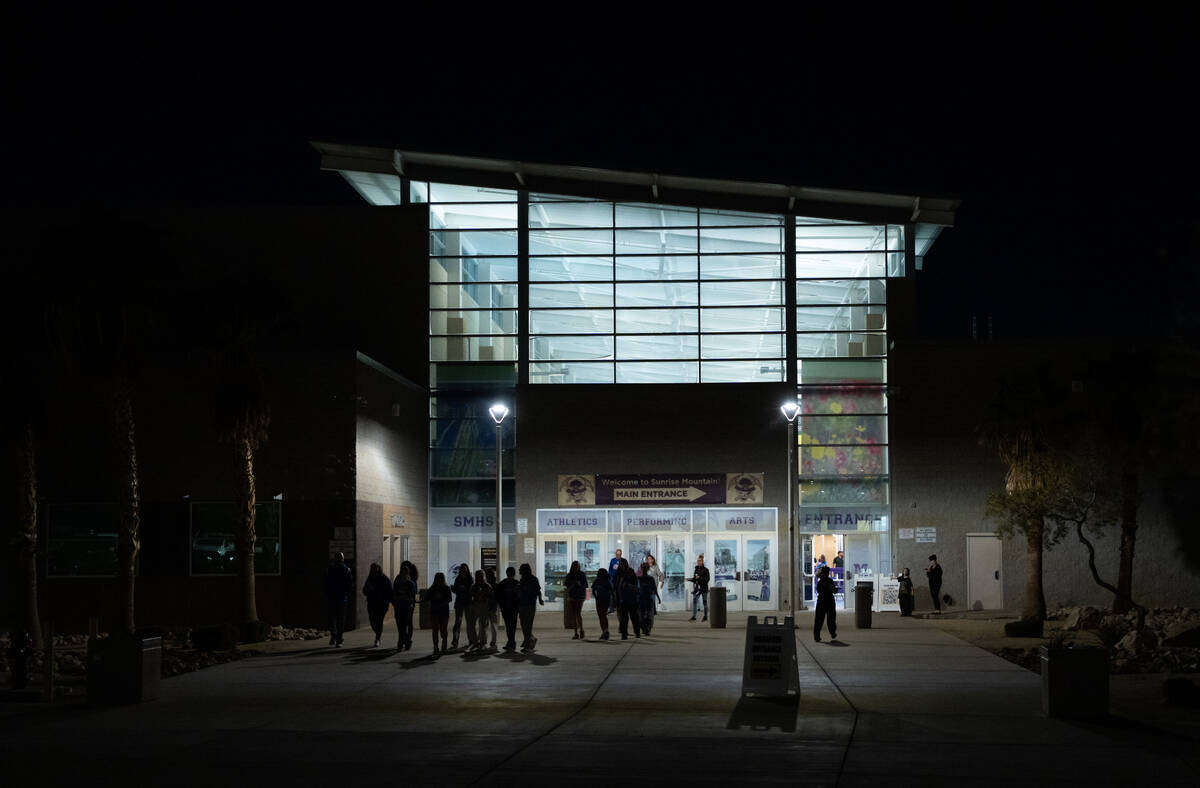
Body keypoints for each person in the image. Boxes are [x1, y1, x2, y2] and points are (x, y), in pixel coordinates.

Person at [324, 551, 353, 647]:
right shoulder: (344, 570)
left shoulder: (333, 569)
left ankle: (336, 637)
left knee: (336, 619)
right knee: (337, 619)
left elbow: (349, 585)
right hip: (338, 598)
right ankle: (337, 637)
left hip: (337, 598)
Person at [362, 562, 393, 648]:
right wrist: (367, 590)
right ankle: (378, 634)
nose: (373, 570)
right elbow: (364, 590)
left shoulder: (384, 579)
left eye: (374, 569)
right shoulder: (370, 579)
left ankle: (377, 638)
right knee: (372, 621)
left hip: (382, 604)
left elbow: (390, 591)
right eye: (372, 569)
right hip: (372, 603)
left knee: (379, 621)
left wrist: (388, 600)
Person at [517, 563, 545, 652]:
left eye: (520, 569)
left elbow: (538, 591)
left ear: (524, 570)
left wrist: (540, 599)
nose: (519, 571)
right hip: (522, 604)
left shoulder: (533, 579)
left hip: (530, 604)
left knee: (528, 625)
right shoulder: (522, 580)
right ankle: (530, 639)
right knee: (523, 624)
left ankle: (528, 644)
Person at [496, 566, 522, 650]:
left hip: (512, 609)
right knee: (509, 626)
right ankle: (511, 642)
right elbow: (498, 595)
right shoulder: (504, 583)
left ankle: (511, 642)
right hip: (506, 608)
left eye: (510, 573)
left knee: (511, 626)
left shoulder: (514, 583)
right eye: (509, 572)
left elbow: (519, 596)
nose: (509, 574)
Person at [392, 564, 418, 650]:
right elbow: (394, 593)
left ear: (407, 573)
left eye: (404, 572)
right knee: (400, 625)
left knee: (404, 624)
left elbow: (412, 595)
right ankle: (407, 641)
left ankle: (400, 643)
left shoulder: (410, 583)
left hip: (406, 607)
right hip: (399, 606)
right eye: (401, 572)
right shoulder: (397, 582)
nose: (403, 574)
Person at [426, 572, 452, 654]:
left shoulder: (446, 588)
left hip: (443, 611)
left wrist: (442, 603)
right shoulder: (432, 588)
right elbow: (427, 597)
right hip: (434, 611)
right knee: (435, 629)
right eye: (436, 578)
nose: (438, 580)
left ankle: (444, 644)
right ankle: (436, 646)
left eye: (439, 578)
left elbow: (449, 599)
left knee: (443, 630)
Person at [615, 558, 642, 639]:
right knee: (624, 618)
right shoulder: (618, 573)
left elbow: (635, 584)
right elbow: (616, 585)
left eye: (623, 563)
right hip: (623, 598)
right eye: (621, 564)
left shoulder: (630, 572)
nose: (622, 565)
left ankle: (637, 632)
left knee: (634, 616)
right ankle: (624, 633)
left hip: (631, 597)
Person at [451, 562, 475, 649]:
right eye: (461, 569)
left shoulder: (470, 579)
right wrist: (454, 589)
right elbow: (457, 590)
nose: (463, 570)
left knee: (469, 623)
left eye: (464, 569)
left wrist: (461, 590)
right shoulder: (458, 579)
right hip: (459, 602)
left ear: (467, 569)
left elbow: (470, 591)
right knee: (458, 622)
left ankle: (471, 640)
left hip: (468, 603)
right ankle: (455, 640)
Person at [470, 569, 495, 652]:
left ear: (483, 576)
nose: (479, 577)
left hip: (484, 606)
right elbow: (471, 596)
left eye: (480, 575)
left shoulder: (487, 586)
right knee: (472, 625)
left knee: (483, 625)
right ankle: (475, 642)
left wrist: (488, 602)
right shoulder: (474, 586)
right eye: (477, 576)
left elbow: (491, 597)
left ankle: (483, 643)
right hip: (476, 606)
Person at [564, 560, 588, 640]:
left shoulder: (580, 574)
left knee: (577, 613)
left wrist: (579, 584)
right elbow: (566, 585)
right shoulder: (571, 575)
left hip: (579, 596)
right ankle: (577, 632)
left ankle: (580, 630)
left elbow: (585, 585)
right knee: (575, 614)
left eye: (577, 566)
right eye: (575, 566)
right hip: (573, 596)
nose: (576, 567)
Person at [814, 565, 837, 642]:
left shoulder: (822, 582)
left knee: (820, 619)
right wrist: (832, 588)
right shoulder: (827, 581)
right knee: (830, 618)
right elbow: (832, 590)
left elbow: (819, 591)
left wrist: (832, 589)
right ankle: (832, 632)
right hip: (828, 601)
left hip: (822, 601)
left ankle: (818, 635)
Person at [638, 562, 661, 635]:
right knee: (648, 614)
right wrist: (658, 597)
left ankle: (645, 628)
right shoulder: (650, 579)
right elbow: (654, 589)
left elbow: (636, 589)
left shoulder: (639, 579)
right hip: (648, 598)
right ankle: (647, 628)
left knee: (642, 614)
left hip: (642, 598)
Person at [591, 568, 613, 641]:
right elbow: (611, 590)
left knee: (601, 616)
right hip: (605, 599)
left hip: (601, 599)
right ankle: (605, 631)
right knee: (603, 615)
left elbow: (593, 590)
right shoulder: (607, 580)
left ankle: (605, 631)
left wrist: (596, 597)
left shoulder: (597, 580)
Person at [688, 553, 710, 622]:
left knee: (704, 602)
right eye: (698, 561)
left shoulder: (706, 570)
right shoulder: (696, 569)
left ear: (703, 562)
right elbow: (695, 579)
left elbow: (707, 579)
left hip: (703, 588)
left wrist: (699, 578)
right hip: (697, 589)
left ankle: (705, 616)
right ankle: (694, 616)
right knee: (695, 601)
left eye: (700, 561)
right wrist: (690, 579)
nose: (699, 562)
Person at [483, 567, 500, 650]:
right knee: (488, 625)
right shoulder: (488, 584)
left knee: (491, 625)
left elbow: (496, 597)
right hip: (488, 607)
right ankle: (489, 641)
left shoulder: (493, 585)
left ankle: (491, 641)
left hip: (492, 607)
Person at [607, 549, 623, 613]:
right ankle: (611, 608)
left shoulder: (623, 561)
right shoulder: (612, 560)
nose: (618, 556)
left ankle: (620, 608)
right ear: (615, 554)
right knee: (612, 594)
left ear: (621, 554)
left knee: (620, 594)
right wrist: (610, 577)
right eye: (617, 554)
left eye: (619, 554)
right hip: (612, 579)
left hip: (620, 580)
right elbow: (610, 569)